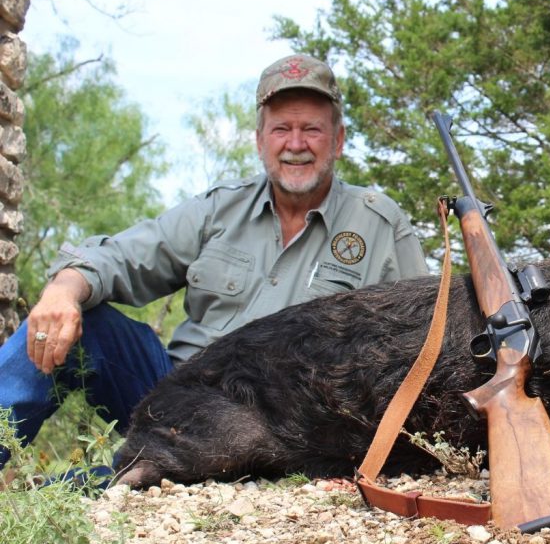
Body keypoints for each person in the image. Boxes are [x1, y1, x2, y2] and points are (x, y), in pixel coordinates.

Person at [0, 53, 429, 466]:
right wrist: (64, 289)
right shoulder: (217, 209)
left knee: (103, 489)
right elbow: (123, 257)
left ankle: (87, 493)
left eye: (311, 130)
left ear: (337, 140)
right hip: (174, 395)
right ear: (261, 140)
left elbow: (422, 346)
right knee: (78, 319)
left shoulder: (379, 224)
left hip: (287, 428)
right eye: (281, 129)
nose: (295, 145)